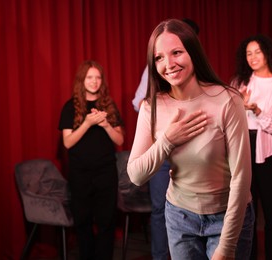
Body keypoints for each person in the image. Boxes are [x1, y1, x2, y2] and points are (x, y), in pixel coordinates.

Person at [127, 19, 254, 260]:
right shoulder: (151, 107)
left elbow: (241, 177)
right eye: (159, 58)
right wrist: (167, 141)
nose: (169, 64)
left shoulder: (227, 100)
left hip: (227, 216)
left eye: (176, 52)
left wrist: (226, 248)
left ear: (193, 52)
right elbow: (136, 175)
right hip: (180, 218)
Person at [131, 18, 200, 260]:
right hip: (162, 152)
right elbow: (138, 102)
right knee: (161, 209)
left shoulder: (202, 74)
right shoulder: (158, 68)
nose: (169, 61)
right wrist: (162, 121)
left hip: (194, 152)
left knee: (194, 211)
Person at [231, 34, 272, 260]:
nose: (253, 57)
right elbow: (229, 120)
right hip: (243, 151)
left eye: (257, 51)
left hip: (270, 155)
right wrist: (237, 104)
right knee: (247, 215)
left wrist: (255, 109)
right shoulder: (240, 82)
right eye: (248, 53)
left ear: (267, 53)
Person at [58, 60, 124, 260]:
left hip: (106, 172)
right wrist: (87, 123)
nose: (94, 82)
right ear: (82, 80)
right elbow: (68, 143)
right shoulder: (70, 107)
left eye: (98, 77)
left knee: (106, 223)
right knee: (83, 222)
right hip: (80, 174)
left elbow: (120, 139)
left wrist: (105, 125)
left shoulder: (109, 105)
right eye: (90, 77)